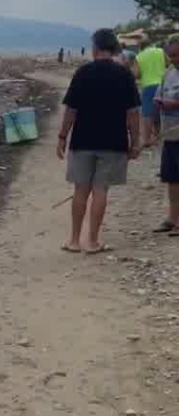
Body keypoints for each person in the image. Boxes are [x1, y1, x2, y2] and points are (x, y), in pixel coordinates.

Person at [58, 28, 142, 254]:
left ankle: (74, 241)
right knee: (100, 190)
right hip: (113, 142)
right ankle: (93, 241)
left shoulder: (83, 72)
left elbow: (71, 110)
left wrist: (62, 137)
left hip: (82, 140)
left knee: (80, 190)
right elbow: (133, 113)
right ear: (115, 48)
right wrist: (135, 142)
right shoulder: (124, 75)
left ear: (95, 48)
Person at [152, 37, 179, 236]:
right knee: (171, 178)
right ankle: (172, 217)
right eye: (170, 55)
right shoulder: (169, 73)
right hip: (169, 134)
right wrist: (159, 101)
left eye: (176, 54)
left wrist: (174, 105)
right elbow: (159, 95)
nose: (173, 59)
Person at [134, 41, 167, 147]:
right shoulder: (161, 51)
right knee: (159, 113)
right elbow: (169, 62)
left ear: (140, 47)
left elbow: (136, 73)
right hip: (162, 84)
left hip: (148, 86)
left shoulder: (139, 56)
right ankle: (158, 137)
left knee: (147, 114)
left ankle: (147, 140)